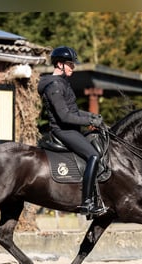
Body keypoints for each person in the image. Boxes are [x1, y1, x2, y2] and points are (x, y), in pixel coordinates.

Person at [38, 46, 105, 217]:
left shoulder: (62, 83)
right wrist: (89, 121)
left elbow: (74, 111)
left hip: (71, 129)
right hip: (64, 130)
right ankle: (87, 202)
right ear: (59, 64)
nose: (72, 68)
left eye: (73, 65)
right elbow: (65, 116)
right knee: (93, 155)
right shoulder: (54, 86)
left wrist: (92, 116)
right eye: (70, 64)